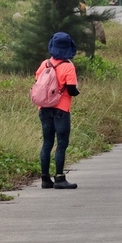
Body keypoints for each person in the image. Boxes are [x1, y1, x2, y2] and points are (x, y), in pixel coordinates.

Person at [36, 32, 81, 189]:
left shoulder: (45, 64)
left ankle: (45, 179)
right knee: (61, 143)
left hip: (44, 109)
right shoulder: (68, 66)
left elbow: (38, 82)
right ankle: (60, 178)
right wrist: (78, 91)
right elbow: (71, 90)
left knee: (47, 142)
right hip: (61, 109)